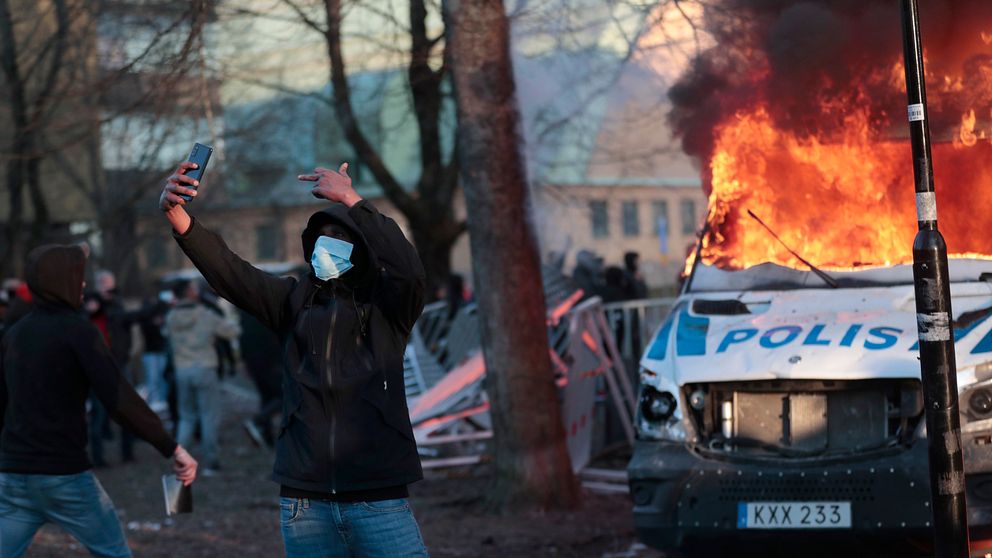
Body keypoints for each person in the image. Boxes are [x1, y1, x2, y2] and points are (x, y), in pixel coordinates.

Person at [160, 160, 429, 557]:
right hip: (305, 503)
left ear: (362, 249)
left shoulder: (388, 308)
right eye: (320, 238)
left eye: (339, 237)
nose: (326, 245)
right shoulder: (292, 302)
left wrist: (353, 201)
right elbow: (230, 272)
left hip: (379, 499)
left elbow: (409, 270)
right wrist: (178, 216)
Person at [0, 244, 197, 558]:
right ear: (61, 281)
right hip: (63, 477)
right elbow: (119, 398)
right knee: (114, 553)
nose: (82, 284)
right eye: (78, 276)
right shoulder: (79, 331)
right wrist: (171, 447)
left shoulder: (14, 334)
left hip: (13, 476)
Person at [164, 279, 240, 475]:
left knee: (186, 417)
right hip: (205, 368)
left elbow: (165, 335)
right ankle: (211, 462)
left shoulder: (171, 316)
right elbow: (232, 332)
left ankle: (180, 459)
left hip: (182, 370)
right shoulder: (205, 314)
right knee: (208, 416)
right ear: (190, 292)